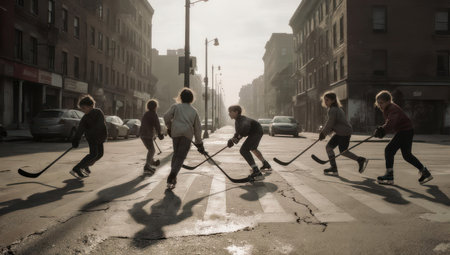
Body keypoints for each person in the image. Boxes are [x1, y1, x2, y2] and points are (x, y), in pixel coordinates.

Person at [373, 90, 433, 185]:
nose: (380, 105)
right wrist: (382, 129)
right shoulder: (388, 108)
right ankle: (425, 173)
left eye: (381, 103)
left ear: (388, 101)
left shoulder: (393, 108)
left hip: (404, 131)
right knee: (407, 155)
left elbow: (392, 121)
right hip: (406, 131)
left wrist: (383, 130)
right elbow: (389, 122)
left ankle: (389, 176)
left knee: (389, 150)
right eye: (378, 103)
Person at [164, 88, 206, 189]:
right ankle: (172, 175)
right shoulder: (194, 111)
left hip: (176, 133)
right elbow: (197, 128)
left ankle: (173, 177)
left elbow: (166, 117)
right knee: (181, 156)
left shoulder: (176, 107)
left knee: (176, 154)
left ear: (180, 97)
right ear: (192, 99)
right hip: (187, 135)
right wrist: (199, 143)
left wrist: (169, 127)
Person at [319, 91, 368, 176]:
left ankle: (361, 160)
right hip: (340, 132)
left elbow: (330, 123)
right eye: (325, 100)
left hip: (344, 133)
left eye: (327, 100)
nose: (325, 102)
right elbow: (334, 123)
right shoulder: (334, 109)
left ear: (333, 100)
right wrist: (324, 133)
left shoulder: (333, 110)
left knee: (343, 152)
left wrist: (323, 133)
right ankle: (334, 168)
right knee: (329, 148)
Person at [227, 105, 271, 182]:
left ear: (236, 112)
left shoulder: (241, 119)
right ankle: (265, 163)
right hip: (256, 132)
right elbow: (238, 133)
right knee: (253, 148)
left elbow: (245, 128)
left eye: (230, 112)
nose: (229, 114)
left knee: (243, 150)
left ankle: (256, 171)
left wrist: (236, 139)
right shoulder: (238, 120)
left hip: (256, 132)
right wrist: (233, 139)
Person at [71, 95, 107, 179]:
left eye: (84, 108)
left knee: (100, 154)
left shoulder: (98, 112)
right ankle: (77, 168)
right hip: (92, 138)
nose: (83, 110)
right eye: (81, 108)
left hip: (100, 137)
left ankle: (85, 165)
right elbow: (80, 129)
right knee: (93, 154)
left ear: (91, 106)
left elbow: (100, 125)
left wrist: (100, 135)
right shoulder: (85, 118)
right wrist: (76, 139)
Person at [140, 99, 164, 175]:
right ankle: (147, 165)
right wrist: (160, 134)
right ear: (155, 107)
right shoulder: (153, 114)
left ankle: (152, 162)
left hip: (143, 135)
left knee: (150, 150)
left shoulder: (146, 113)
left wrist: (153, 135)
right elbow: (157, 125)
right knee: (152, 150)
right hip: (147, 135)